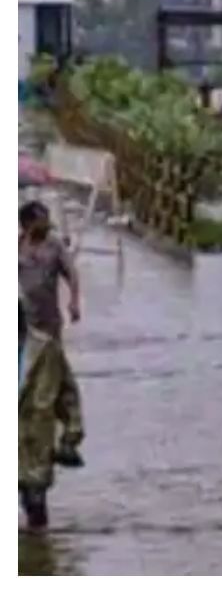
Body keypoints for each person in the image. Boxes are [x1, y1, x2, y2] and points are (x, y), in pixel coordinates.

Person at [18, 200, 85, 530]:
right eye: (42, 219)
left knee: (35, 514)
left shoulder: (54, 247)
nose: (48, 223)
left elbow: (72, 273)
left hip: (47, 330)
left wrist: (70, 439)